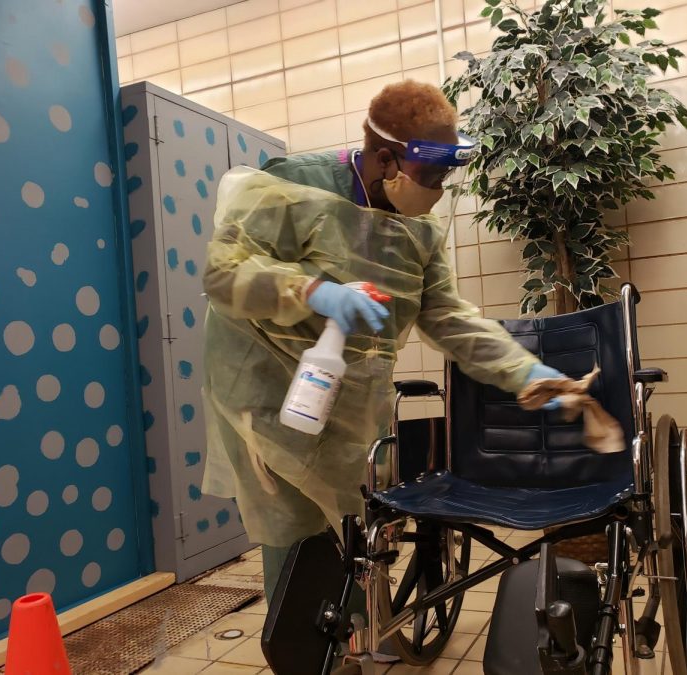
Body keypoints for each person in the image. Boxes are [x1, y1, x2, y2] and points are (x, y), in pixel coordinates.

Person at [200, 80, 564, 611]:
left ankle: (354, 632)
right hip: (270, 392)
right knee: (297, 534)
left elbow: (447, 316)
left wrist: (525, 372)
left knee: (352, 526)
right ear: (388, 159)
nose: (439, 187)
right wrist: (314, 291)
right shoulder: (292, 188)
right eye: (432, 173)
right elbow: (224, 274)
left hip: (347, 400)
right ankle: (307, 653)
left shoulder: (420, 230)